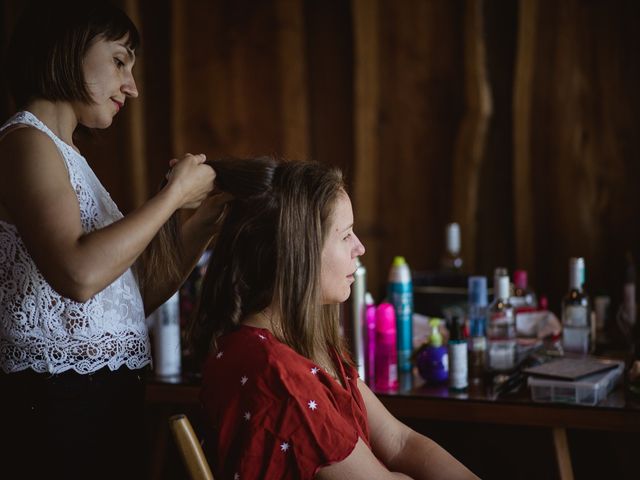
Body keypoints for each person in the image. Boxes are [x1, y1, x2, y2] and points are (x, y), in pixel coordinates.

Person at [0, 1, 223, 478]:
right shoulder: (24, 142)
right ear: (67, 47)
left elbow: (127, 295)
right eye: (120, 61)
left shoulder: (68, 156)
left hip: (104, 401)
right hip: (55, 407)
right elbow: (78, 275)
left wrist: (204, 221)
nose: (133, 86)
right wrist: (172, 196)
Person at [186, 157, 479, 479]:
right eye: (345, 236)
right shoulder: (279, 377)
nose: (361, 248)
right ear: (299, 252)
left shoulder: (303, 347)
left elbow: (399, 441)